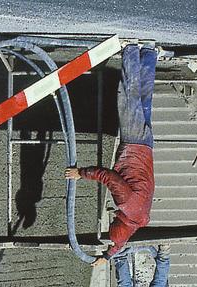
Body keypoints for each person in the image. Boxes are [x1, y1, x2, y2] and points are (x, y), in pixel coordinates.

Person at [65, 43, 157, 265]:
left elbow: (121, 241)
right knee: (128, 97)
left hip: (146, 147)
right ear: (117, 225)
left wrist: (108, 255)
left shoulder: (138, 218)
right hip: (134, 144)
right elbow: (109, 177)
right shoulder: (126, 204)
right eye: (112, 225)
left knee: (144, 98)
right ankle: (130, 50)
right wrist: (81, 173)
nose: (112, 219)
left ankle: (149, 54)